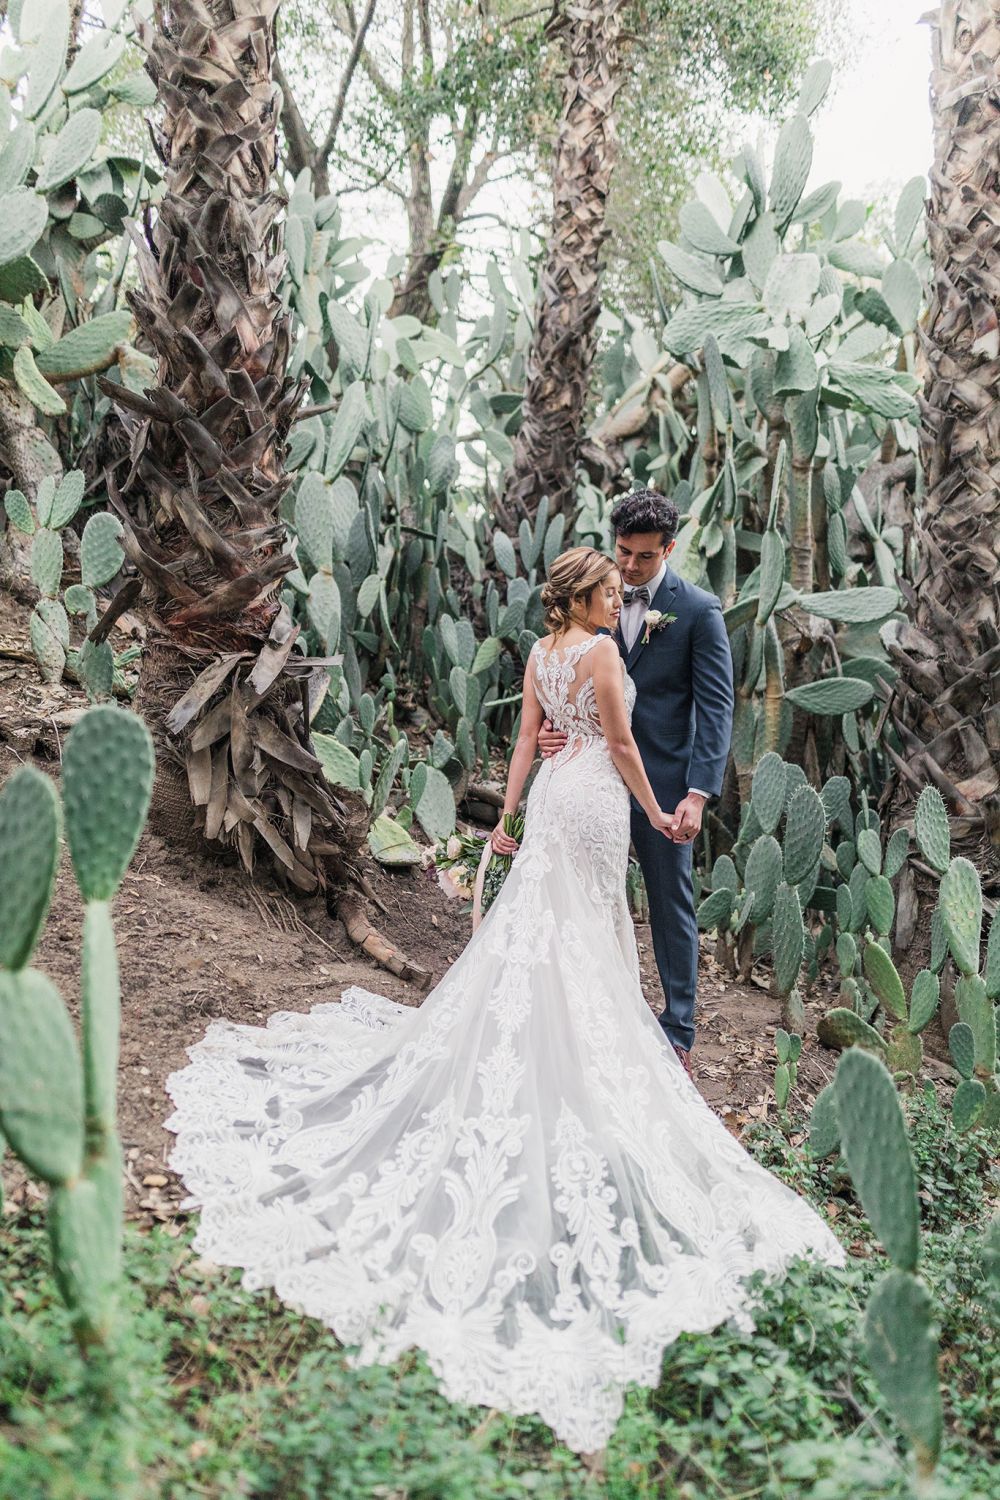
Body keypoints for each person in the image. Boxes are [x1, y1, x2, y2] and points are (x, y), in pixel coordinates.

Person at [166, 547, 842, 1456]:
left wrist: (509, 818)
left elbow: (525, 742)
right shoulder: (601, 656)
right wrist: (657, 811)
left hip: (558, 800)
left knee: (542, 931)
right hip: (601, 802)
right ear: (587, 597)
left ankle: (543, 1048)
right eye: (609, 590)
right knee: (586, 935)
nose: (619, 598)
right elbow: (628, 746)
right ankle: (577, 1066)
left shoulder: (536, 654)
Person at [538, 491, 733, 1078]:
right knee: (574, 895)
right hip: (591, 780)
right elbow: (565, 672)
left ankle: (676, 1030)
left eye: (643, 557)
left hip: (664, 784)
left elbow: (717, 708)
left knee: (670, 900)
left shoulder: (697, 611)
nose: (627, 567)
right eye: (622, 551)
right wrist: (556, 729)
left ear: (668, 549)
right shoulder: (590, 592)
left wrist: (697, 793)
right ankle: (572, 1015)